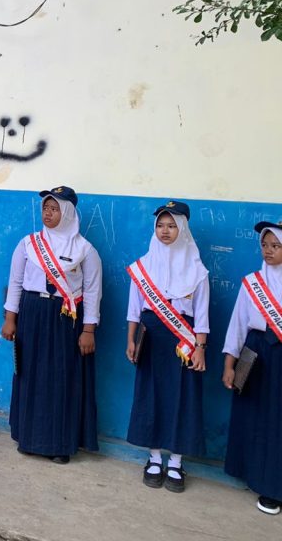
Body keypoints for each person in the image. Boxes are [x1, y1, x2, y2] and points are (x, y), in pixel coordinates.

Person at [0, 185, 102, 464]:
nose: (48, 213)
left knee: (61, 378)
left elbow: (92, 292)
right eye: (46, 207)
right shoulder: (28, 244)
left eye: (55, 208)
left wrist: (88, 329)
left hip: (66, 319)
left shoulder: (85, 251)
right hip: (32, 313)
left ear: (68, 212)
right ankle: (29, 438)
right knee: (30, 374)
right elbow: (17, 282)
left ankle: (59, 444)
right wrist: (11, 319)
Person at [124, 201, 209, 493]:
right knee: (152, 394)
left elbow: (203, 315)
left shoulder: (198, 271)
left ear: (183, 229)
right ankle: (154, 458)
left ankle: (176, 461)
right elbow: (134, 309)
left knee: (181, 397)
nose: (165, 231)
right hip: (151, 336)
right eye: (161, 225)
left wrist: (200, 347)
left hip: (183, 341)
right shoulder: (144, 265)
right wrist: (130, 340)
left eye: (172, 225)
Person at [222, 220, 282, 516]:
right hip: (256, 353)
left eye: (276, 246)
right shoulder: (253, 283)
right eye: (265, 245)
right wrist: (229, 364)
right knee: (257, 417)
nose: (268, 251)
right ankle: (258, 478)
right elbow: (237, 326)